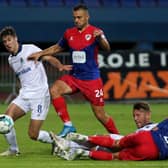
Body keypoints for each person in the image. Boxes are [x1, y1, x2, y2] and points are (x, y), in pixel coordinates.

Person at [28, 4, 119, 137]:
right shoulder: (69, 33)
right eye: (74, 18)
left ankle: (119, 138)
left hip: (91, 80)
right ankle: (68, 125)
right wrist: (40, 53)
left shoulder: (96, 32)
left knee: (100, 115)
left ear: (87, 17)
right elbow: (57, 48)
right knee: (54, 90)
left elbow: (107, 47)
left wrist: (99, 38)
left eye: (79, 17)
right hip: (74, 77)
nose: (76, 20)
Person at [0, 26, 72, 156]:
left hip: (39, 96)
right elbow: (21, 76)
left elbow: (48, 58)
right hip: (24, 95)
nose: (7, 44)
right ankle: (13, 150)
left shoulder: (30, 49)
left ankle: (57, 141)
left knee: (33, 134)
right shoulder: (11, 59)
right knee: (5, 120)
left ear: (16, 38)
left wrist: (59, 66)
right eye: (4, 42)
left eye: (9, 40)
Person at [50, 102, 160, 160]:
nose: (135, 119)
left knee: (104, 141)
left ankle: (69, 144)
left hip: (132, 148)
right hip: (132, 146)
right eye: (134, 115)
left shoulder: (153, 128)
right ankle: (70, 146)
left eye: (138, 115)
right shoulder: (147, 129)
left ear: (148, 115)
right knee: (103, 142)